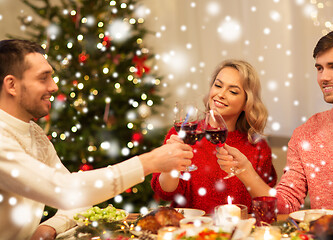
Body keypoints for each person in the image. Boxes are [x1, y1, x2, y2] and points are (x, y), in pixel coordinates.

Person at [0, 39, 193, 240]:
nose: (54, 86)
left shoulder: (34, 133)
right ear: (12, 85)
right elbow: (64, 190)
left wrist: (51, 227)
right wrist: (148, 162)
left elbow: (76, 197)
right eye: (43, 78)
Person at [216, 29, 333, 215]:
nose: (324, 77)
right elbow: (286, 204)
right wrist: (245, 171)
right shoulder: (306, 135)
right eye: (319, 68)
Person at [151, 59, 277, 214]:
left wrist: (246, 172)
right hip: (189, 231)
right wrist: (171, 169)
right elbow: (165, 193)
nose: (221, 94)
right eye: (218, 85)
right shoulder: (181, 134)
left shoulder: (257, 146)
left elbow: (267, 203)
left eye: (233, 91)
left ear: (246, 103)